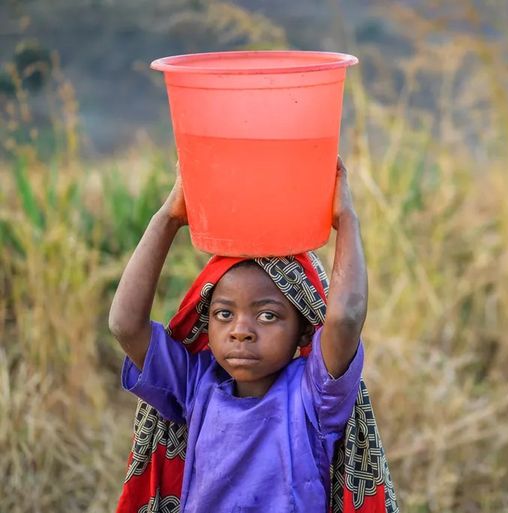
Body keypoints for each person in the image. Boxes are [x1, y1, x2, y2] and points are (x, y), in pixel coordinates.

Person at [109, 157, 398, 513]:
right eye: (224, 314)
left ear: (304, 327)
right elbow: (125, 325)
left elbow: (346, 317)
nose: (241, 331)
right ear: (206, 322)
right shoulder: (195, 385)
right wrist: (169, 217)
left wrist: (346, 219)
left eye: (267, 315)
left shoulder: (314, 396)